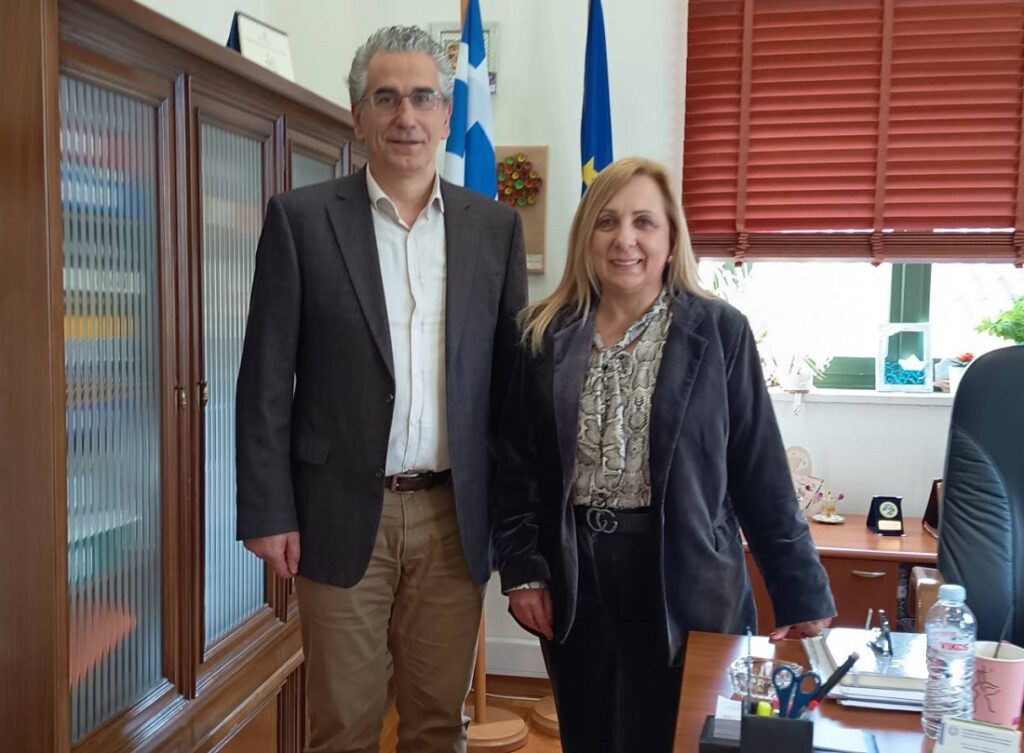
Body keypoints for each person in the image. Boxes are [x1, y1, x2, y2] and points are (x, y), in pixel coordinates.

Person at [235, 25, 527, 753]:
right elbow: (265, 379)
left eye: (423, 98)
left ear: (446, 115)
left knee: (437, 723)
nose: (407, 116)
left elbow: (512, 390)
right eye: (387, 98)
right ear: (358, 116)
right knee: (343, 725)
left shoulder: (494, 229)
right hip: (336, 513)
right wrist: (268, 510)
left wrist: (511, 520)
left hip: (454, 517)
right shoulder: (301, 221)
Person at [491, 157, 835, 753]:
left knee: (683, 738)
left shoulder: (720, 332)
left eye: (644, 222)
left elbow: (760, 471)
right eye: (607, 222)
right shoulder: (542, 334)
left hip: (687, 576)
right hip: (577, 578)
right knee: (592, 737)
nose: (624, 239)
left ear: (672, 240)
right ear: (586, 238)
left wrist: (801, 592)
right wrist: (522, 569)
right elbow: (515, 465)